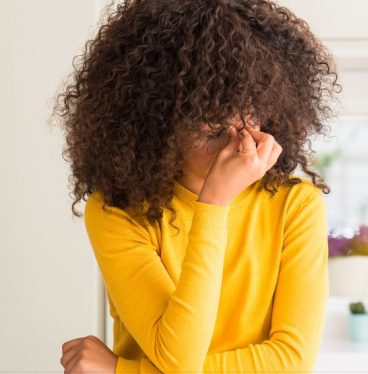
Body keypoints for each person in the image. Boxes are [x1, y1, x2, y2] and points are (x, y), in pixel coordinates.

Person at [52, 0, 340, 372]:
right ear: (156, 123)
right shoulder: (117, 210)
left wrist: (122, 371)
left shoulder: (296, 205)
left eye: (250, 117)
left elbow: (291, 363)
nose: (238, 144)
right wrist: (214, 203)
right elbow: (179, 359)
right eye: (214, 131)